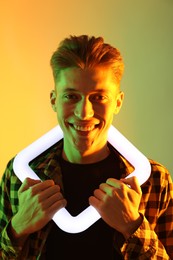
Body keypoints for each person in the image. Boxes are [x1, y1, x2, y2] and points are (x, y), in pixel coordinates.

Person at [0, 35, 173, 260]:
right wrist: (18, 228)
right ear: (54, 100)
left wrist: (133, 226)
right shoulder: (22, 174)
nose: (84, 113)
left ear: (118, 102)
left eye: (99, 97)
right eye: (71, 96)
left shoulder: (153, 180)